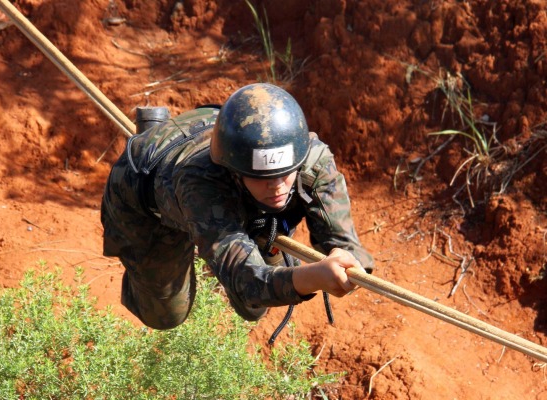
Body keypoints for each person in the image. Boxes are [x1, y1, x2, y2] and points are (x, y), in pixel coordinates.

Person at [100, 83, 374, 331]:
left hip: (220, 135)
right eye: (264, 178)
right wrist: (315, 276)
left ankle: (253, 233)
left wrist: (349, 261)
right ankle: (151, 131)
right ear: (234, 171)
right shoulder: (201, 186)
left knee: (254, 311)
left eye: (286, 174)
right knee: (166, 316)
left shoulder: (311, 158)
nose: (278, 187)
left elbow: (345, 244)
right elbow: (249, 285)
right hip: (144, 193)